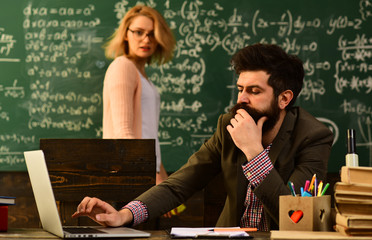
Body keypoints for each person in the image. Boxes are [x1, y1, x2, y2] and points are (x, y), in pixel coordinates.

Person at [73, 43, 334, 231]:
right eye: (241, 88)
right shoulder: (228, 126)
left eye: (254, 91)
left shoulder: (313, 137)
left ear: (284, 98)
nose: (241, 99)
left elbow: (294, 215)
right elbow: (180, 184)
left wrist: (254, 152)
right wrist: (124, 214)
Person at [102, 5, 176, 184]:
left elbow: (150, 134)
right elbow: (124, 134)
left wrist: (161, 173)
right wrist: (152, 174)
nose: (146, 39)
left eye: (152, 34)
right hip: (130, 174)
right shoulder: (123, 66)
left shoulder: (140, 73)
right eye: (139, 32)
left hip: (147, 169)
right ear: (126, 34)